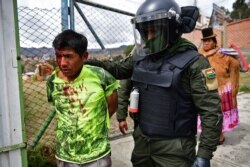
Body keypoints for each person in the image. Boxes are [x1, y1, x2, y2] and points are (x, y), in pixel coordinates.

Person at [86, 0, 223, 166]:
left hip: (175, 149)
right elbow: (118, 69)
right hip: (142, 143)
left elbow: (211, 111)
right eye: (145, 31)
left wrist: (204, 155)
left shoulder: (195, 63)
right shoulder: (140, 56)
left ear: (172, 29)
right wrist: (85, 62)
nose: (149, 37)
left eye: (155, 30)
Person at [46, 29, 119, 167]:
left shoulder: (101, 77)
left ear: (84, 56)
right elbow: (60, 110)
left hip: (97, 155)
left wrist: (94, 123)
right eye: (58, 56)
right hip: (65, 156)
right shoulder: (52, 82)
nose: (62, 63)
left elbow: (113, 105)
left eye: (68, 56)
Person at [198, 27, 240, 145]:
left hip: (222, 88)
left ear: (214, 42)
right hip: (205, 89)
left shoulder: (223, 54)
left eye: (209, 40)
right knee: (207, 113)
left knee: (219, 112)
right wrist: (208, 55)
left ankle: (220, 136)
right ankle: (208, 135)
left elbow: (236, 64)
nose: (206, 43)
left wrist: (233, 88)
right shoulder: (199, 54)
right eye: (204, 41)